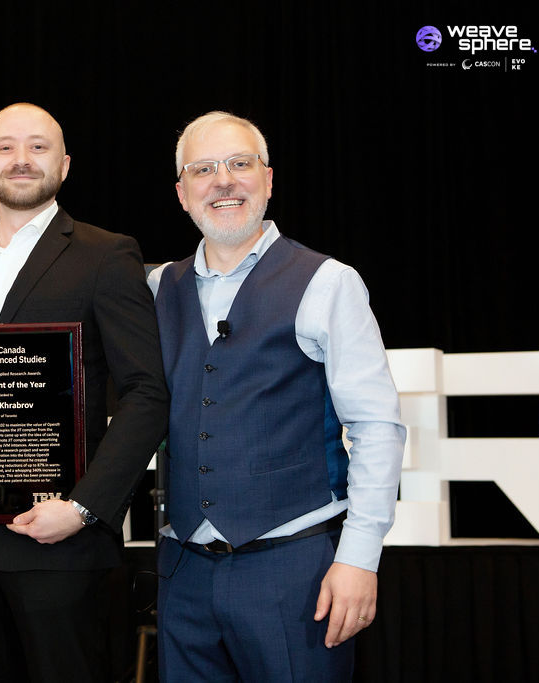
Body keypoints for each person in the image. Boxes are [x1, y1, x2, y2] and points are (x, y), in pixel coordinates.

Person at [0, 103, 168, 682]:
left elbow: (147, 393)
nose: (21, 159)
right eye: (5, 147)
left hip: (61, 544)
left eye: (38, 147)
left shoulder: (106, 254)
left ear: (66, 164)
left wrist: (84, 509)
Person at [150, 111, 405, 681]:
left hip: (295, 572)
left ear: (268, 179)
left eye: (240, 164)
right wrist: (4, 246)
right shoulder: (154, 286)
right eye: (204, 169)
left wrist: (360, 558)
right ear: (182, 194)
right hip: (182, 574)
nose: (223, 181)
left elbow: (376, 428)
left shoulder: (328, 281)